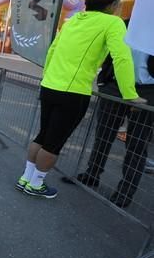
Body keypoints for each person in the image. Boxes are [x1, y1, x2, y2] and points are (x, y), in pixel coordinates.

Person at [16, 0, 144, 199]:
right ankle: (36, 184)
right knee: (53, 142)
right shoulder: (113, 23)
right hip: (73, 92)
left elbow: (53, 51)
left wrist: (49, 76)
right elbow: (122, 58)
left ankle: (25, 178)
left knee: (43, 135)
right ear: (113, 4)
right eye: (119, 2)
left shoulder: (74, 19)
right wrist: (129, 93)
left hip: (50, 85)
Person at [65, 22, 154, 208]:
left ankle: (125, 192)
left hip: (147, 90)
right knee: (103, 134)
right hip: (115, 86)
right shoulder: (130, 22)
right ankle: (92, 174)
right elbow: (111, 49)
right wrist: (104, 81)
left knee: (137, 144)